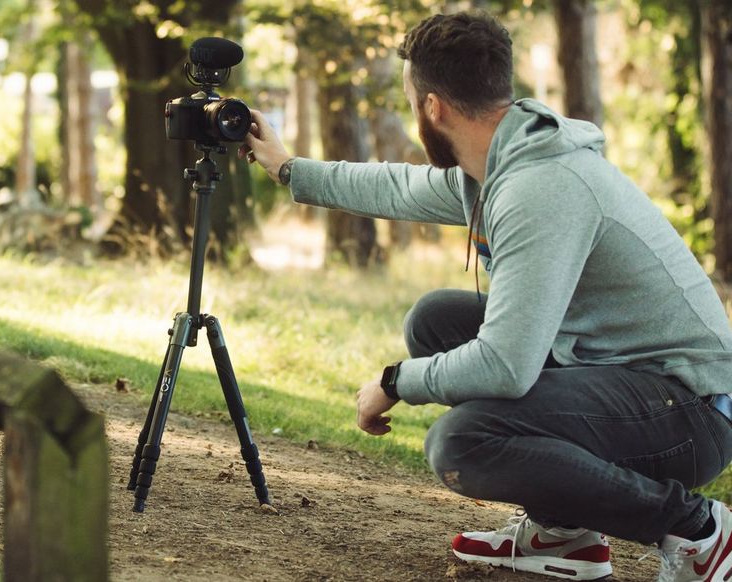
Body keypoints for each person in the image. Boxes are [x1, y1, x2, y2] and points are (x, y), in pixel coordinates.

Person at [240, 10, 732, 582]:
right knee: (438, 320)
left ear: (432, 107)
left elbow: (505, 366)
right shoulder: (497, 164)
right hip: (619, 374)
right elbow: (396, 185)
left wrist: (397, 381)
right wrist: (287, 169)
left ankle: (698, 530)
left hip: (689, 411)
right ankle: (564, 534)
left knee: (462, 443)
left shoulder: (539, 188)